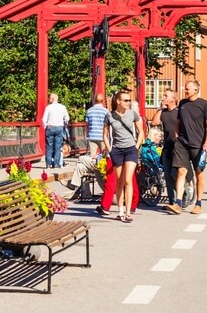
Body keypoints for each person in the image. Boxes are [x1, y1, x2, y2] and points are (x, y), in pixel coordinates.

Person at [163, 80, 207, 215]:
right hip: (182, 144)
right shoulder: (183, 104)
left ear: (196, 90)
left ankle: (198, 203)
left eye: (187, 89)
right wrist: (177, 135)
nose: (185, 91)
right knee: (181, 171)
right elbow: (178, 122)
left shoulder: (204, 105)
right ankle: (178, 204)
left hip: (198, 145)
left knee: (199, 174)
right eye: (185, 89)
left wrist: (206, 143)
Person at [103, 90, 144, 222]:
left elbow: (141, 131)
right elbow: (105, 135)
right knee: (119, 181)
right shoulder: (109, 116)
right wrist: (110, 149)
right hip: (117, 150)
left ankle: (128, 212)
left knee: (128, 179)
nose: (128, 102)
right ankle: (120, 211)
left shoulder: (132, 114)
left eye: (129, 100)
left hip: (130, 149)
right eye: (126, 100)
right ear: (118, 101)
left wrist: (136, 147)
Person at [69, 94, 110, 194]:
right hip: (102, 137)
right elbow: (108, 125)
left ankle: (83, 183)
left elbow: (87, 125)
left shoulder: (89, 111)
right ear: (103, 101)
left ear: (94, 100)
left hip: (92, 136)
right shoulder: (106, 111)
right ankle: (101, 175)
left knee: (92, 158)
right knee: (104, 158)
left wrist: (87, 133)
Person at [150, 88, 179, 205]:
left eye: (166, 96)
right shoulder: (164, 112)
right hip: (167, 146)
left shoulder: (178, 112)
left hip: (177, 147)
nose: (164, 98)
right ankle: (172, 201)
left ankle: (184, 194)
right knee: (167, 175)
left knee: (175, 174)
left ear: (173, 99)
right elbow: (154, 123)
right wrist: (160, 108)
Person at [42, 93, 70, 169]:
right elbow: (67, 118)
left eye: (50, 98)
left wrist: (45, 126)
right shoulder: (62, 107)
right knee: (58, 146)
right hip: (59, 128)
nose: (49, 99)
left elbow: (44, 119)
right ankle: (56, 164)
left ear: (53, 99)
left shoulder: (48, 107)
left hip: (50, 127)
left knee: (49, 146)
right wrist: (64, 123)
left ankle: (48, 164)